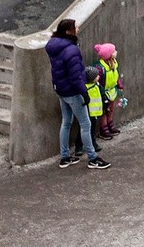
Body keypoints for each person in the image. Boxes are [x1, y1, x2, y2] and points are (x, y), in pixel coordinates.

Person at [46, 18, 110, 170]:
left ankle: (65, 157)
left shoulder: (54, 46)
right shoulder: (71, 50)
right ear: (69, 31)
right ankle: (93, 158)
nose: (78, 28)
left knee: (66, 122)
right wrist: (84, 92)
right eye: (75, 26)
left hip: (61, 89)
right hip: (73, 92)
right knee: (86, 124)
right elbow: (75, 76)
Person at [95, 43, 122, 138]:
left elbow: (116, 75)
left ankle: (110, 123)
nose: (116, 52)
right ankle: (104, 127)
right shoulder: (100, 68)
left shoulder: (114, 63)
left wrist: (119, 84)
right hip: (104, 93)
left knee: (111, 109)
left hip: (112, 91)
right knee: (104, 111)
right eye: (114, 51)